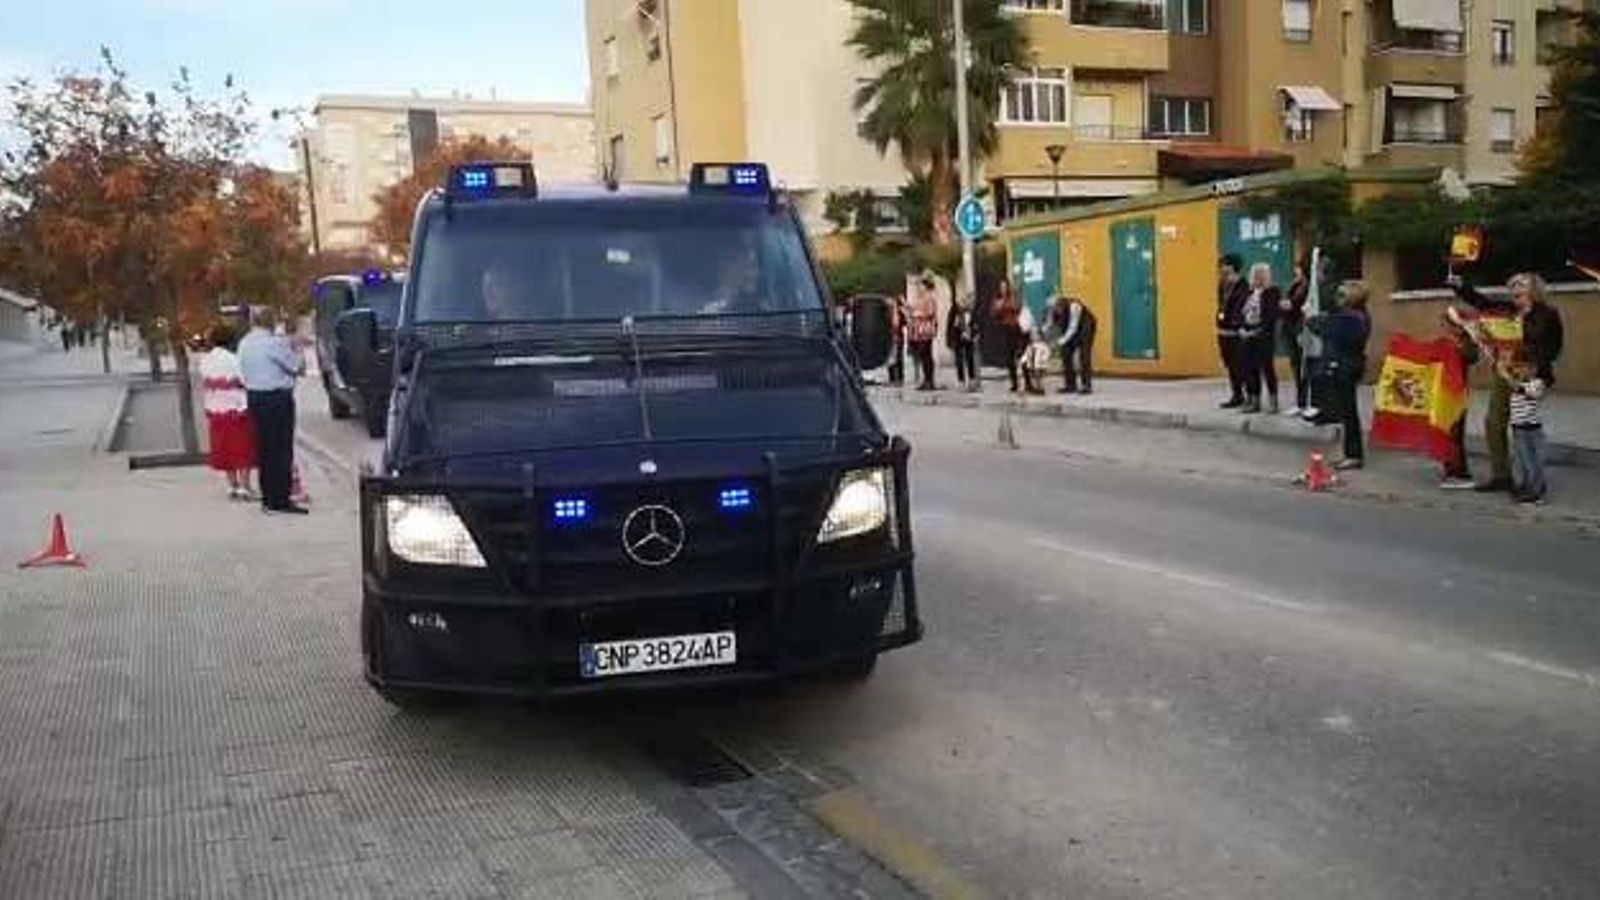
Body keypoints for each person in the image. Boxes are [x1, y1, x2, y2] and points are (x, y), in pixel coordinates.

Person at [1448, 271, 1564, 494]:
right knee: (1494, 422)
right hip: (1504, 371)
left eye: (1521, 286)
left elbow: (1553, 347)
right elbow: (1482, 302)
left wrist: (1528, 360)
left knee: (1525, 429)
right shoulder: (1508, 310)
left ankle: (1532, 482)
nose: (1516, 291)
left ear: (1534, 290)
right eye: (1514, 287)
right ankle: (1501, 475)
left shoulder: (1547, 314)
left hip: (1529, 375)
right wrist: (1461, 286)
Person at [238, 306, 308, 515]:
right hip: (276, 398)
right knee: (281, 449)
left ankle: (268, 497)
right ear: (271, 322)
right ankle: (280, 499)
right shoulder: (274, 343)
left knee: (264, 449)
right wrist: (297, 347)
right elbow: (297, 367)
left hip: (255, 397)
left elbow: (241, 373)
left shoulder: (245, 343)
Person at [1305, 281, 1372, 470]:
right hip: (1349, 364)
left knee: (1348, 411)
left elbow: (1323, 328)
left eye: (1342, 295)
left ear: (1353, 298)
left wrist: (1311, 318)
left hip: (1345, 366)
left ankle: (1354, 454)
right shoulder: (1356, 316)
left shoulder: (1351, 318)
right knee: (1346, 411)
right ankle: (1350, 453)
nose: (1338, 298)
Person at [199, 322, 257, 501]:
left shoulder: (205, 361)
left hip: (216, 410)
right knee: (242, 449)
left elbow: (206, 383)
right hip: (236, 408)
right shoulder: (234, 359)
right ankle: (246, 486)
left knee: (225, 450)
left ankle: (233, 486)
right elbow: (245, 380)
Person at [1439, 311, 1481, 490]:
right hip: (1445, 392)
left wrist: (1458, 346)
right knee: (1447, 431)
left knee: (1455, 433)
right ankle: (1451, 468)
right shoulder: (1447, 341)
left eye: (1449, 324)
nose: (1446, 327)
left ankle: (1459, 472)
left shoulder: (1466, 343)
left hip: (1457, 393)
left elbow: (1472, 357)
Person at [1239, 263, 1282, 414]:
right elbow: (1243, 312)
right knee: (1250, 369)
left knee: (1267, 368)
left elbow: (1271, 315)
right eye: (1255, 275)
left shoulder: (1272, 292)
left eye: (1260, 275)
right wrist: (1242, 328)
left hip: (1264, 334)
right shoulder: (1249, 293)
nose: (1257, 278)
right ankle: (1254, 400)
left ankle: (1273, 401)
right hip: (1248, 333)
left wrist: (1258, 330)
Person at [1508, 356, 1549, 505]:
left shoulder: (1537, 383)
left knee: (1533, 461)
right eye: (1516, 367)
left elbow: (1528, 392)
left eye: (1522, 367)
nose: (1518, 370)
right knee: (1522, 461)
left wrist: (1511, 379)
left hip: (1531, 430)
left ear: (1533, 369)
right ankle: (1526, 486)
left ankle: (1536, 492)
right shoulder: (1519, 383)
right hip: (1518, 429)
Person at [1216, 255, 1250, 409]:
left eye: (1225, 265)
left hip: (1237, 332)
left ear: (1233, 267)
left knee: (1241, 365)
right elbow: (1221, 304)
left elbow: (1242, 307)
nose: (1222, 269)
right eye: (1221, 266)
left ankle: (1250, 395)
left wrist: (1239, 324)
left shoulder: (1243, 285)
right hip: (1223, 331)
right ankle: (1236, 394)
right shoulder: (1222, 285)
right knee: (1229, 365)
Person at [1050, 294, 1097, 395]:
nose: (1056, 311)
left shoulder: (1074, 306)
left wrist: (1059, 342)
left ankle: (1086, 385)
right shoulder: (1054, 311)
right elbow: (1051, 326)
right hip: (1072, 328)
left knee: (1084, 355)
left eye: (1057, 308)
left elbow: (1072, 328)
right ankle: (1070, 385)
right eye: (1054, 309)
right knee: (1065, 353)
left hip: (1086, 325)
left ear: (1062, 304)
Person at [1281, 263, 1310, 415]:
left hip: (1299, 329)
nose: (1295, 270)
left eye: (1298, 268)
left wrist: (1287, 305)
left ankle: (1305, 401)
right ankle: (1300, 401)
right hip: (1290, 328)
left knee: (1302, 366)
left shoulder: (1306, 287)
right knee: (1296, 365)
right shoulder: (1296, 285)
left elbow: (1293, 305)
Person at [906, 274, 939, 391]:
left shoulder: (929, 297)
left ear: (925, 286)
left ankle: (930, 381)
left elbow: (930, 312)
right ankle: (926, 380)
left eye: (921, 285)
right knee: (922, 355)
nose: (919, 288)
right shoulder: (919, 297)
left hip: (926, 329)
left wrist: (917, 313)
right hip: (918, 330)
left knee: (926, 355)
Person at [991, 278, 1024, 393]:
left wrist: (1004, 306)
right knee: (1009, 358)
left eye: (1005, 286)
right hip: (1005, 329)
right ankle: (1014, 382)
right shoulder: (997, 299)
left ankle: (1026, 381)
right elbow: (994, 312)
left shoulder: (1013, 297)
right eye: (1001, 287)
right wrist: (1000, 307)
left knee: (1020, 355)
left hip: (1015, 328)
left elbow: (1017, 307)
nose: (1003, 289)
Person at [946, 298, 977, 388]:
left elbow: (975, 322)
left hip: (968, 335)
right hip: (957, 336)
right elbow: (949, 324)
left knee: (970, 357)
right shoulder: (954, 310)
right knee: (959, 359)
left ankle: (972, 379)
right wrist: (949, 340)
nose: (965, 302)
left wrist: (974, 333)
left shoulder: (971, 311)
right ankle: (961, 380)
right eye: (962, 300)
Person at [1020, 326, 1051, 395]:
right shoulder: (1030, 346)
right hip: (1031, 364)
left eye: (1035, 335)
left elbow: (1046, 353)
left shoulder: (1043, 345)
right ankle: (1035, 387)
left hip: (1040, 364)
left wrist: (1044, 359)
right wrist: (1023, 360)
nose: (1033, 337)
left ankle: (1040, 387)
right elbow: (1027, 354)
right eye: (1032, 335)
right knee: (1033, 376)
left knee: (1039, 377)